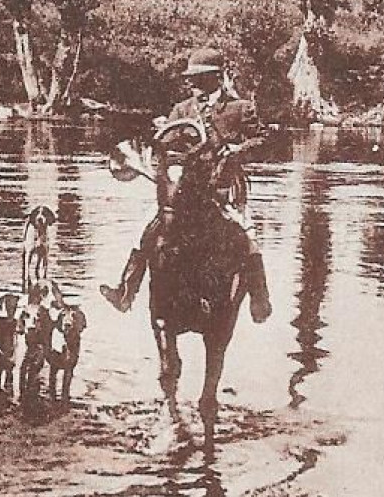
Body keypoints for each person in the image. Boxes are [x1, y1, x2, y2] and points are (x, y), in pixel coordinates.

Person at [99, 48, 273, 321]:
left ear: (216, 77)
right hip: (183, 190)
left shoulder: (240, 108)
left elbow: (263, 141)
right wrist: (157, 144)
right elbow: (167, 143)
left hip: (223, 189)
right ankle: (125, 291)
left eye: (198, 78)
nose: (191, 83)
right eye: (191, 78)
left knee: (248, 237)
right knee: (145, 229)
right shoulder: (182, 109)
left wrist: (237, 150)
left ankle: (259, 300)